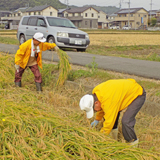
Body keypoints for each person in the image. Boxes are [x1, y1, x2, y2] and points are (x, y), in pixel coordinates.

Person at [79, 79, 146, 146]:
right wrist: (97, 119)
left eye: (94, 110)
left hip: (137, 93)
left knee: (126, 121)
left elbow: (109, 123)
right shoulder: (97, 93)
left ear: (96, 103)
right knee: (110, 115)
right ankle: (114, 140)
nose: (96, 111)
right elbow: (102, 106)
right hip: (121, 93)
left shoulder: (108, 100)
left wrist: (100, 137)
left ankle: (133, 144)